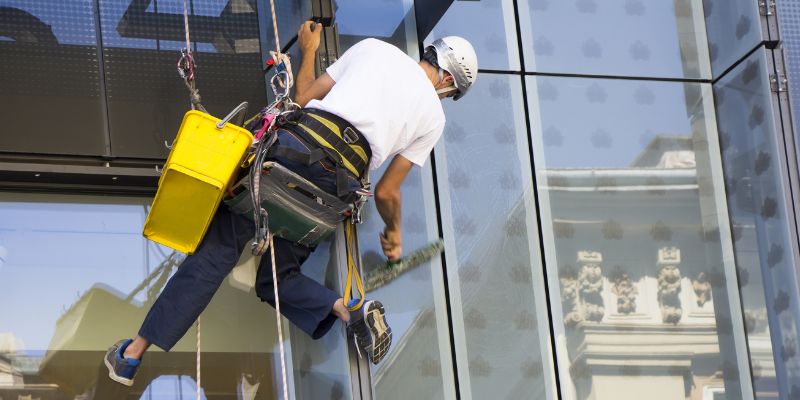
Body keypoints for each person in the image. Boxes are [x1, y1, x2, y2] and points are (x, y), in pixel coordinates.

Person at [103, 21, 478, 387]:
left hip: (288, 160)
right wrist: (394, 234)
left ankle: (134, 353)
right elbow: (387, 192)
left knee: (216, 252)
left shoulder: (374, 50)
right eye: (451, 92)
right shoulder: (433, 117)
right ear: (448, 81)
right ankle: (348, 310)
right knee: (278, 279)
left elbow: (302, 100)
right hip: (330, 195)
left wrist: (309, 51)